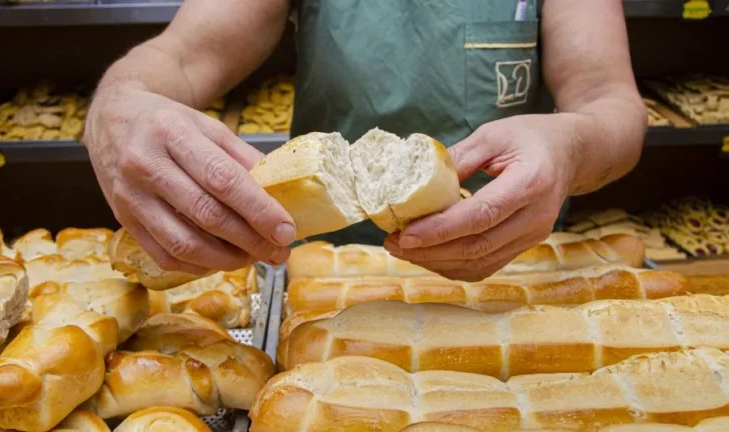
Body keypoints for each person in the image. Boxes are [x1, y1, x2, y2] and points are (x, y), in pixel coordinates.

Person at [84, 0, 646, 282]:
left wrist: (572, 148)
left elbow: (611, 102)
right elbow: (183, 55)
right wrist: (119, 102)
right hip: (320, 275)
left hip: (515, 266)